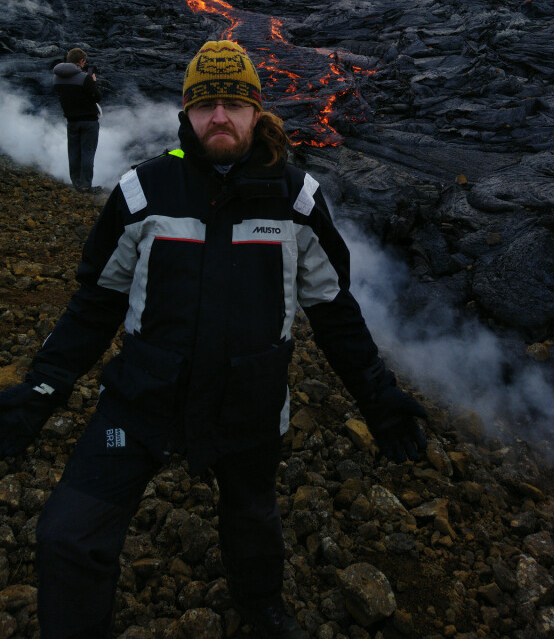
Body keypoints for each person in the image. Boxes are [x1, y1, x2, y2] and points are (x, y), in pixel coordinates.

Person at [0, 39, 428, 639]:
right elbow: (94, 307)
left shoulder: (296, 201)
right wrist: (41, 391)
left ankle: (260, 605)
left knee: (253, 519)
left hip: (248, 406)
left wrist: (379, 397)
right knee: (67, 537)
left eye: (233, 102)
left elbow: (334, 311)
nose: (219, 116)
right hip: (140, 403)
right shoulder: (143, 193)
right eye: (205, 104)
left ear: (257, 110)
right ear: (186, 112)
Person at [53, 46, 102, 193]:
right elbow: (97, 97)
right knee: (87, 153)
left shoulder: (57, 78)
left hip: (71, 120)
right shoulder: (84, 78)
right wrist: (93, 82)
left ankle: (76, 183)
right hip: (89, 121)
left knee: (74, 153)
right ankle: (85, 185)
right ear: (81, 61)